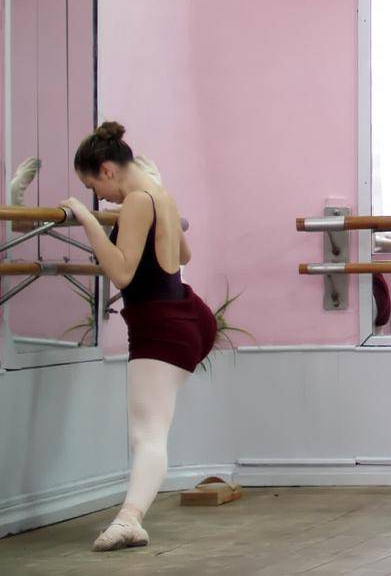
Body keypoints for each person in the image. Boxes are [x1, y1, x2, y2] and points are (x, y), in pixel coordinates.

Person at [59, 123, 216, 551]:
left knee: (148, 434)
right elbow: (183, 254)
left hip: (159, 326)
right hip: (186, 317)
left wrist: (88, 220)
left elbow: (121, 271)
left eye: (93, 185)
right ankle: (132, 519)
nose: (98, 195)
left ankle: (130, 520)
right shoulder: (159, 193)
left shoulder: (135, 203)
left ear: (107, 169)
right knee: (150, 429)